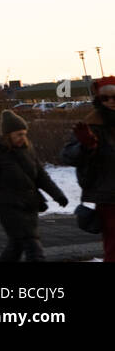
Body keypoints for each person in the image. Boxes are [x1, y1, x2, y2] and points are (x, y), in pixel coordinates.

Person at [0, 110, 67, 262]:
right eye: (18, 134)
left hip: (30, 205)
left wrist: (57, 195)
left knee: (17, 246)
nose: (23, 138)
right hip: (9, 207)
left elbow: (41, 176)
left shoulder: (27, 150)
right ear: (8, 135)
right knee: (32, 244)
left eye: (24, 133)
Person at [63, 76, 115, 261]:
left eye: (114, 97)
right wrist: (86, 147)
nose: (111, 102)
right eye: (105, 98)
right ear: (98, 100)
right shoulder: (91, 125)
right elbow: (68, 155)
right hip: (108, 198)